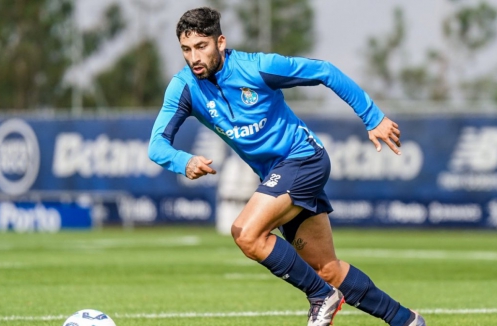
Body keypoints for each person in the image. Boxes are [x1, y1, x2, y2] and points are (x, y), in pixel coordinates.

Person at [148, 7, 426, 326]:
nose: (194, 57)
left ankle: (321, 297)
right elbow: (156, 145)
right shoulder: (184, 87)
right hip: (279, 175)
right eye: (186, 49)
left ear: (220, 42)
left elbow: (324, 71)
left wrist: (372, 117)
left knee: (246, 233)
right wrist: (185, 161)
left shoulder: (258, 68)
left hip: (304, 158)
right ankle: (406, 320)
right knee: (327, 269)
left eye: (201, 46)